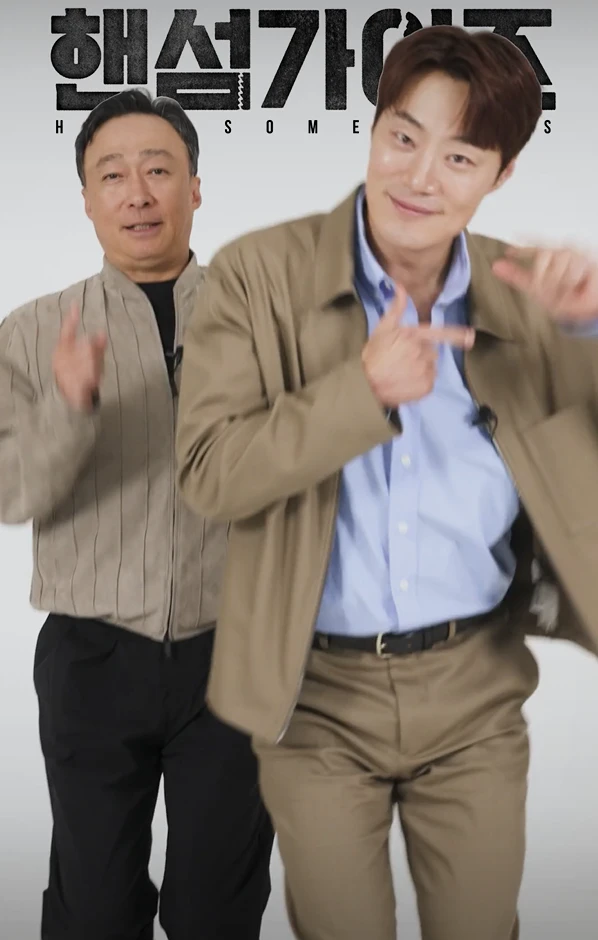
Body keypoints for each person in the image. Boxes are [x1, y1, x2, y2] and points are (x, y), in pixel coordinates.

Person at [175, 25, 598, 940]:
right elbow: (207, 474)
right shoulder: (256, 275)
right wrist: (357, 394)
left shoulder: (532, 295)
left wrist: (587, 334)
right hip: (313, 697)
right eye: (403, 137)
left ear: (501, 175)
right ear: (373, 130)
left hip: (476, 689)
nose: (420, 176)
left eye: (460, 156)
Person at [0, 88, 273, 940]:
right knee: (93, 906)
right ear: (86, 199)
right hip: (93, 655)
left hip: (234, 651)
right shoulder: (32, 332)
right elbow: (10, 492)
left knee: (220, 906)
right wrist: (69, 407)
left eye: (159, 169)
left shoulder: (263, 320)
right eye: (112, 175)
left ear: (196, 187)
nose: (138, 193)